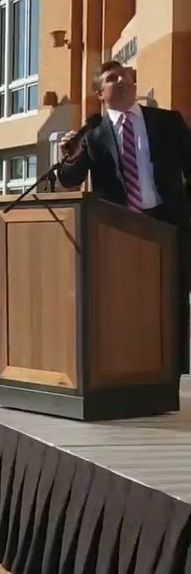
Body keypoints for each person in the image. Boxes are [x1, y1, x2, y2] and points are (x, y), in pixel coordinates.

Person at [57, 59, 191, 372]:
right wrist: (69, 157)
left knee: (172, 303)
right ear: (99, 94)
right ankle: (128, 370)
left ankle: (174, 374)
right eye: (112, 78)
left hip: (168, 224)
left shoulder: (167, 122)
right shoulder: (93, 134)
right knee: (125, 304)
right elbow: (69, 180)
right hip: (119, 230)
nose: (122, 80)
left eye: (125, 75)